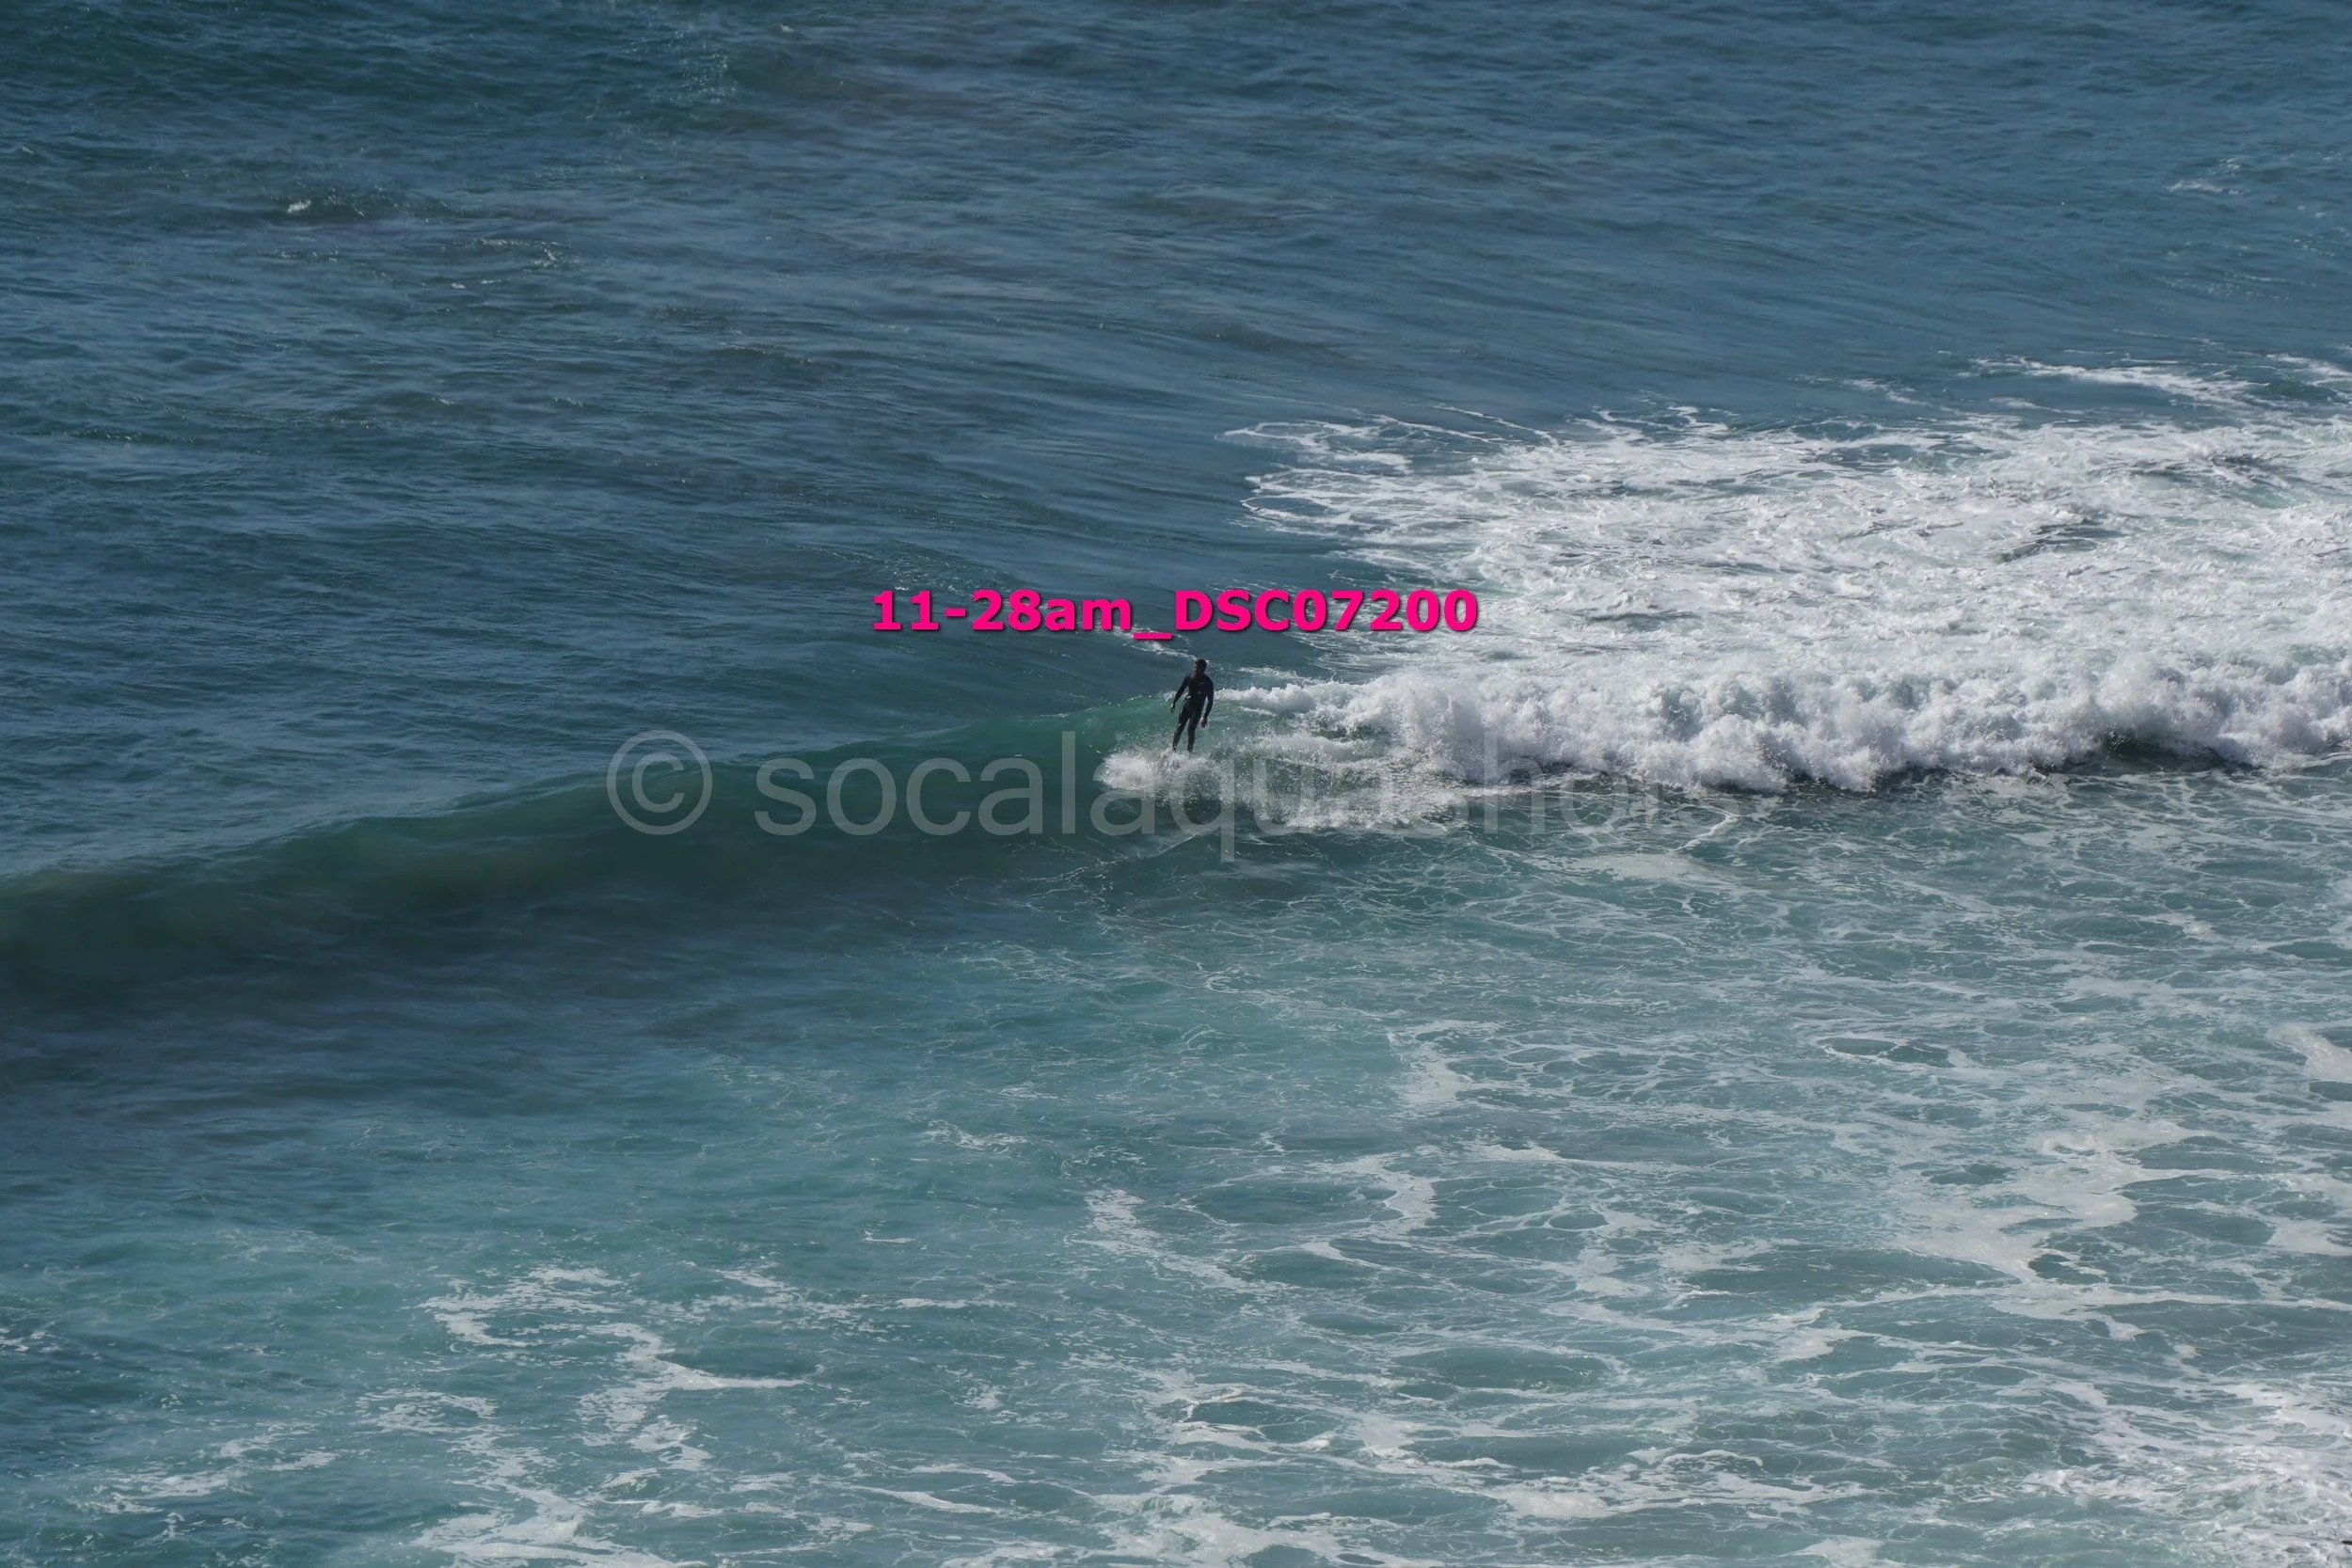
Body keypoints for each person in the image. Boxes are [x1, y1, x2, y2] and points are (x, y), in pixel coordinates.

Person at [1168, 657, 1215, 752]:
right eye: (1195, 668)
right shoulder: (1189, 676)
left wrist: (1205, 716)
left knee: (1191, 730)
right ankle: (1173, 750)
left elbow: (1210, 701)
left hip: (1197, 709)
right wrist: (1174, 702)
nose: (1196, 670)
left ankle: (1189, 753)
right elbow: (1181, 689)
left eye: (1198, 669)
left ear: (1204, 669)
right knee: (1179, 727)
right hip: (1186, 705)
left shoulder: (1208, 683)